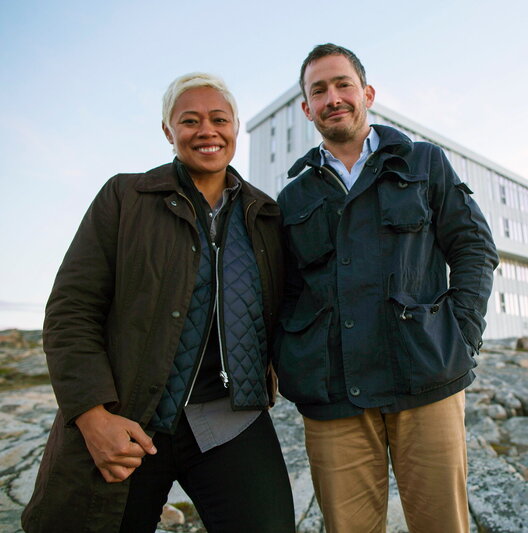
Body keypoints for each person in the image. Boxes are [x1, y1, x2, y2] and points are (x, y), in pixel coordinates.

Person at [22, 73, 295, 533]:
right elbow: (70, 311)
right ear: (168, 131)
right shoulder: (124, 198)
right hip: (130, 419)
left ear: (234, 127)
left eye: (219, 119)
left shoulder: (265, 215)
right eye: (189, 120)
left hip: (231, 419)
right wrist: (92, 416)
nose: (206, 130)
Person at [275, 43, 498, 533]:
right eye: (319, 91)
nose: (333, 98)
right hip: (333, 394)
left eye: (343, 85)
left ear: (367, 93)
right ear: (307, 108)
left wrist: (460, 335)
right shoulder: (292, 198)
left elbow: (474, 249)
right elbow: (285, 293)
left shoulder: (424, 162)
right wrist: (296, 360)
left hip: (426, 378)